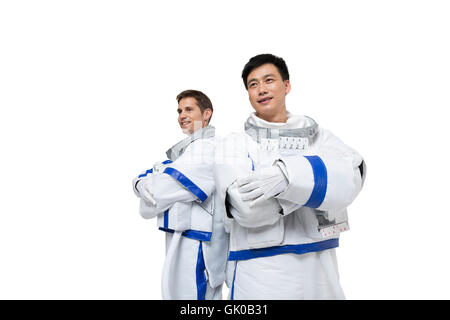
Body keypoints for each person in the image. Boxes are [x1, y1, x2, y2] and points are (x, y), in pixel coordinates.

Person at [214, 54, 366, 300]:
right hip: (261, 275)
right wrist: (317, 182)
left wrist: (287, 177)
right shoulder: (233, 145)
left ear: (286, 85)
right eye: (253, 85)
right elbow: (248, 210)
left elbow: (353, 176)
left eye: (269, 80)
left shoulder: (320, 137)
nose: (261, 89)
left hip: (321, 271)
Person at [132, 90, 228, 300]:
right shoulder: (187, 153)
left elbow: (156, 193)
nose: (182, 115)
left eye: (189, 109)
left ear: (206, 113)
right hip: (186, 239)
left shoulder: (208, 148)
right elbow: (154, 179)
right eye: (179, 111)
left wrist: (148, 184)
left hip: (199, 243)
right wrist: (140, 183)